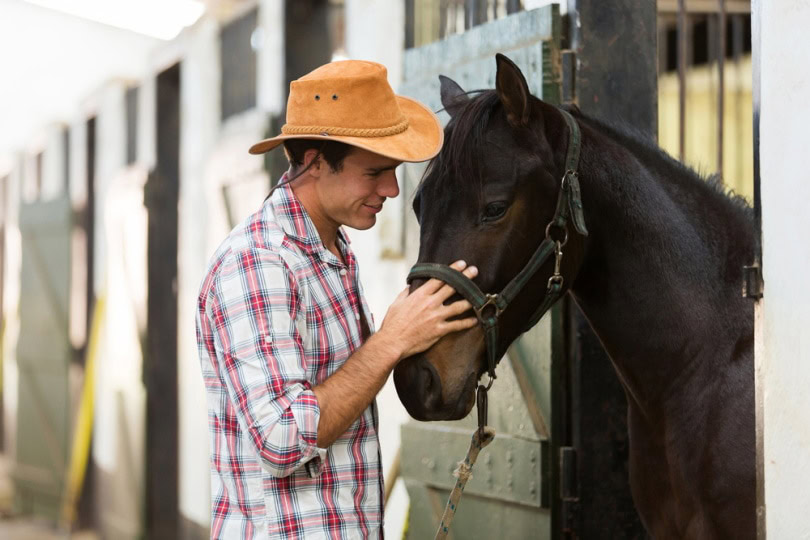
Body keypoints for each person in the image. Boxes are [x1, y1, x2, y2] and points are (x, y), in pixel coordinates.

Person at [196, 60, 478, 539]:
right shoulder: (258, 264)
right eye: (374, 172)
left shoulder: (329, 253)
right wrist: (390, 342)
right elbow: (282, 439)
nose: (390, 189)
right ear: (314, 160)